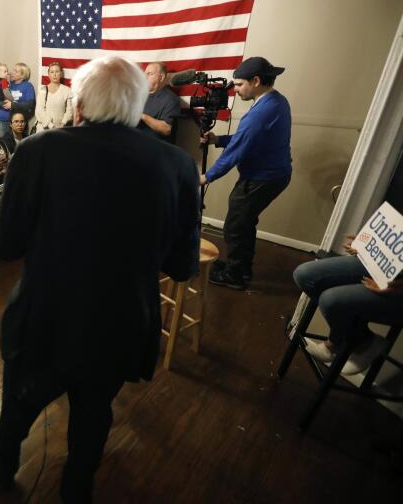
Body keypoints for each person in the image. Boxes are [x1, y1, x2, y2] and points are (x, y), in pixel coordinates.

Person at [0, 56, 200, 503]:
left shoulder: (38, 151)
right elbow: (182, 266)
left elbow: (4, 246)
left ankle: (4, 466)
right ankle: (77, 486)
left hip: (46, 316)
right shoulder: (178, 165)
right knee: (95, 408)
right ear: (138, 104)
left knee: (19, 404)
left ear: (78, 104)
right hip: (122, 320)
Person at [201, 57, 292, 289]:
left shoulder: (261, 112)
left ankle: (235, 276)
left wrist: (206, 176)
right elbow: (249, 140)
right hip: (274, 174)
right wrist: (219, 139)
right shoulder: (276, 101)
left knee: (236, 224)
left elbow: (237, 151)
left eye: (239, 85)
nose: (236, 90)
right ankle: (239, 267)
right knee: (244, 221)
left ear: (256, 80)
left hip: (263, 178)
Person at [295, 235, 403, 375]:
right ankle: (363, 338)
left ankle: (338, 342)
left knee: (331, 300)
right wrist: (369, 244)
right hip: (388, 264)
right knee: (304, 275)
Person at [137, 62, 181, 143]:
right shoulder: (139, 96)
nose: (145, 77)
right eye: (145, 74)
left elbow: (167, 129)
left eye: (149, 74)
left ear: (161, 77)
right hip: (135, 145)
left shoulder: (171, 99)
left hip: (157, 150)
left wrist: (142, 116)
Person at [0, 63, 35, 138]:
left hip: (18, 122)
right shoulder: (8, 83)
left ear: (22, 75)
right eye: (13, 70)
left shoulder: (28, 86)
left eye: (16, 71)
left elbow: (30, 104)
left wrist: (12, 105)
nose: (12, 72)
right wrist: (2, 103)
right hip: (3, 119)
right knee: (4, 145)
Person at [35, 62, 73, 132]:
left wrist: (63, 124)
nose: (54, 74)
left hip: (60, 130)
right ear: (48, 74)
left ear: (61, 74)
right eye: (52, 72)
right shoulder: (43, 90)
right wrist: (51, 125)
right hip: (43, 130)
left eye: (57, 71)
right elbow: (39, 111)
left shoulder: (67, 90)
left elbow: (69, 111)